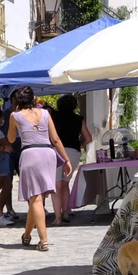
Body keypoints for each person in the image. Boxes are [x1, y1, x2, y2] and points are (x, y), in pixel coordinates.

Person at [5, 86, 72, 250]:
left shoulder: (15, 115)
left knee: (35, 198)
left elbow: (11, 138)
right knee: (37, 198)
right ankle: (27, 235)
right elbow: (55, 139)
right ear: (33, 98)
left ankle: (43, 240)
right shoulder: (46, 113)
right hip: (48, 153)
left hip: (30, 153)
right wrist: (66, 160)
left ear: (17, 101)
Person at [50, 93, 92, 224]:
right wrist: (78, 144)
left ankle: (57, 217)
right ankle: (65, 212)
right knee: (65, 183)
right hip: (73, 152)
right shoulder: (79, 119)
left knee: (56, 185)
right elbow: (89, 138)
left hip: (56, 151)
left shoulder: (53, 117)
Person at [0, 109, 16, 215]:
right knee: (1, 186)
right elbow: (8, 143)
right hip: (1, 160)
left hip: (2, 159)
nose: (3, 120)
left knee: (6, 186)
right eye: (2, 118)